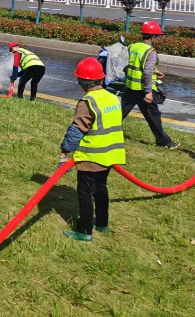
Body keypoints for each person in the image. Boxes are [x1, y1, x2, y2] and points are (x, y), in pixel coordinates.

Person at [58, 57, 126, 242]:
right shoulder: (112, 97)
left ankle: (84, 231)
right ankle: (102, 223)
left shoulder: (87, 102)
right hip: (110, 153)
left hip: (92, 155)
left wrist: (64, 153)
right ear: (101, 78)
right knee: (101, 188)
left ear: (80, 81)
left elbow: (76, 130)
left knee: (85, 192)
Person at [121, 21, 179, 149]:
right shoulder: (150, 51)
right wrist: (148, 92)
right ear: (152, 37)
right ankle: (164, 142)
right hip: (143, 90)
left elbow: (134, 65)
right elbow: (146, 72)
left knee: (120, 113)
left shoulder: (133, 46)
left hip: (130, 87)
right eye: (157, 36)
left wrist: (154, 71)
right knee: (154, 116)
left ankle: (103, 130)